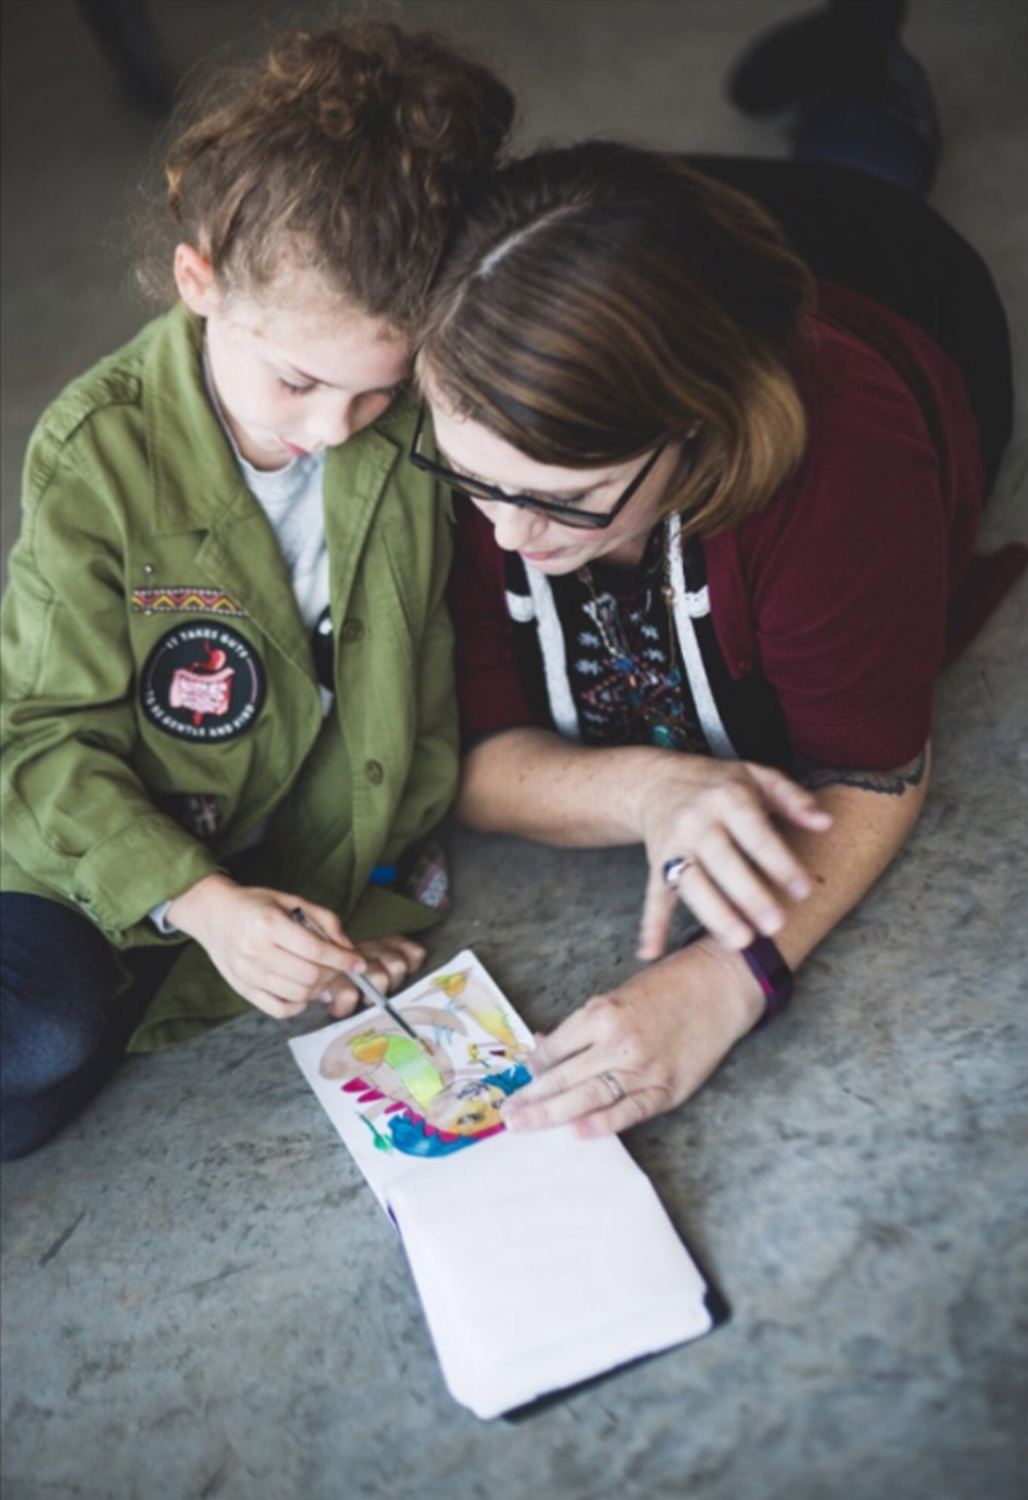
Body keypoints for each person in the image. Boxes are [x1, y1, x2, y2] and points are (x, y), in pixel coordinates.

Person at [411, 104, 1021, 1137]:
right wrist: (648, 788)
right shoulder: (476, 404)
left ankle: (875, 108)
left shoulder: (847, 467)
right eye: (472, 483)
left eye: (568, 497)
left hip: (886, 268)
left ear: (697, 431)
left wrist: (727, 977)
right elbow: (453, 753)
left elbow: (873, 771)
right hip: (616, 244)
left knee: (863, 185)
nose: (506, 537)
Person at [0, 20, 515, 1160]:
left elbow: (383, 714)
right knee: (40, 1032)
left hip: (261, 860)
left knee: (41, 1091)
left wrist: (352, 911)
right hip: (73, 852)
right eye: (296, 381)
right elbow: (37, 738)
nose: (334, 429)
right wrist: (198, 903)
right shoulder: (96, 455)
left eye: (374, 395)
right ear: (200, 278)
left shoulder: (409, 416)